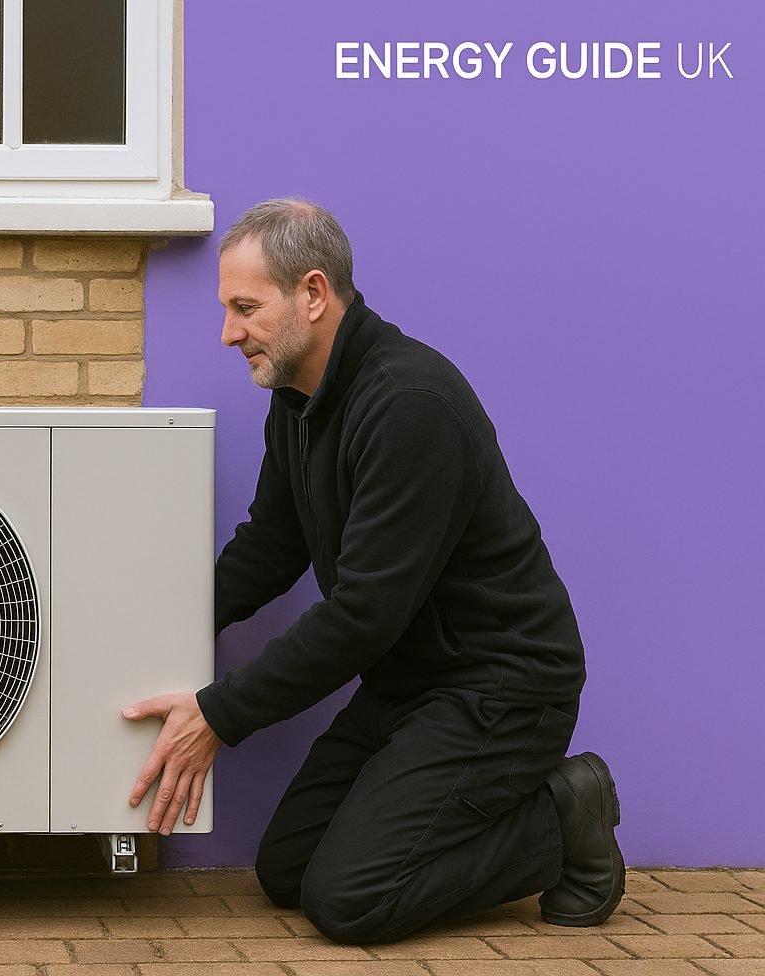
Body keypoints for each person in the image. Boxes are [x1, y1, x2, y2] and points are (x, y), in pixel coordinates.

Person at [123, 199, 624, 944]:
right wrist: (155, 626)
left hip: (501, 687)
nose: (229, 332)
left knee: (348, 902)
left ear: (314, 294)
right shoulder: (296, 398)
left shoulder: (409, 404)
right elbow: (270, 546)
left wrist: (220, 715)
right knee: (288, 869)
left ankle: (563, 815)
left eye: (245, 308)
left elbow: (363, 615)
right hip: (408, 685)